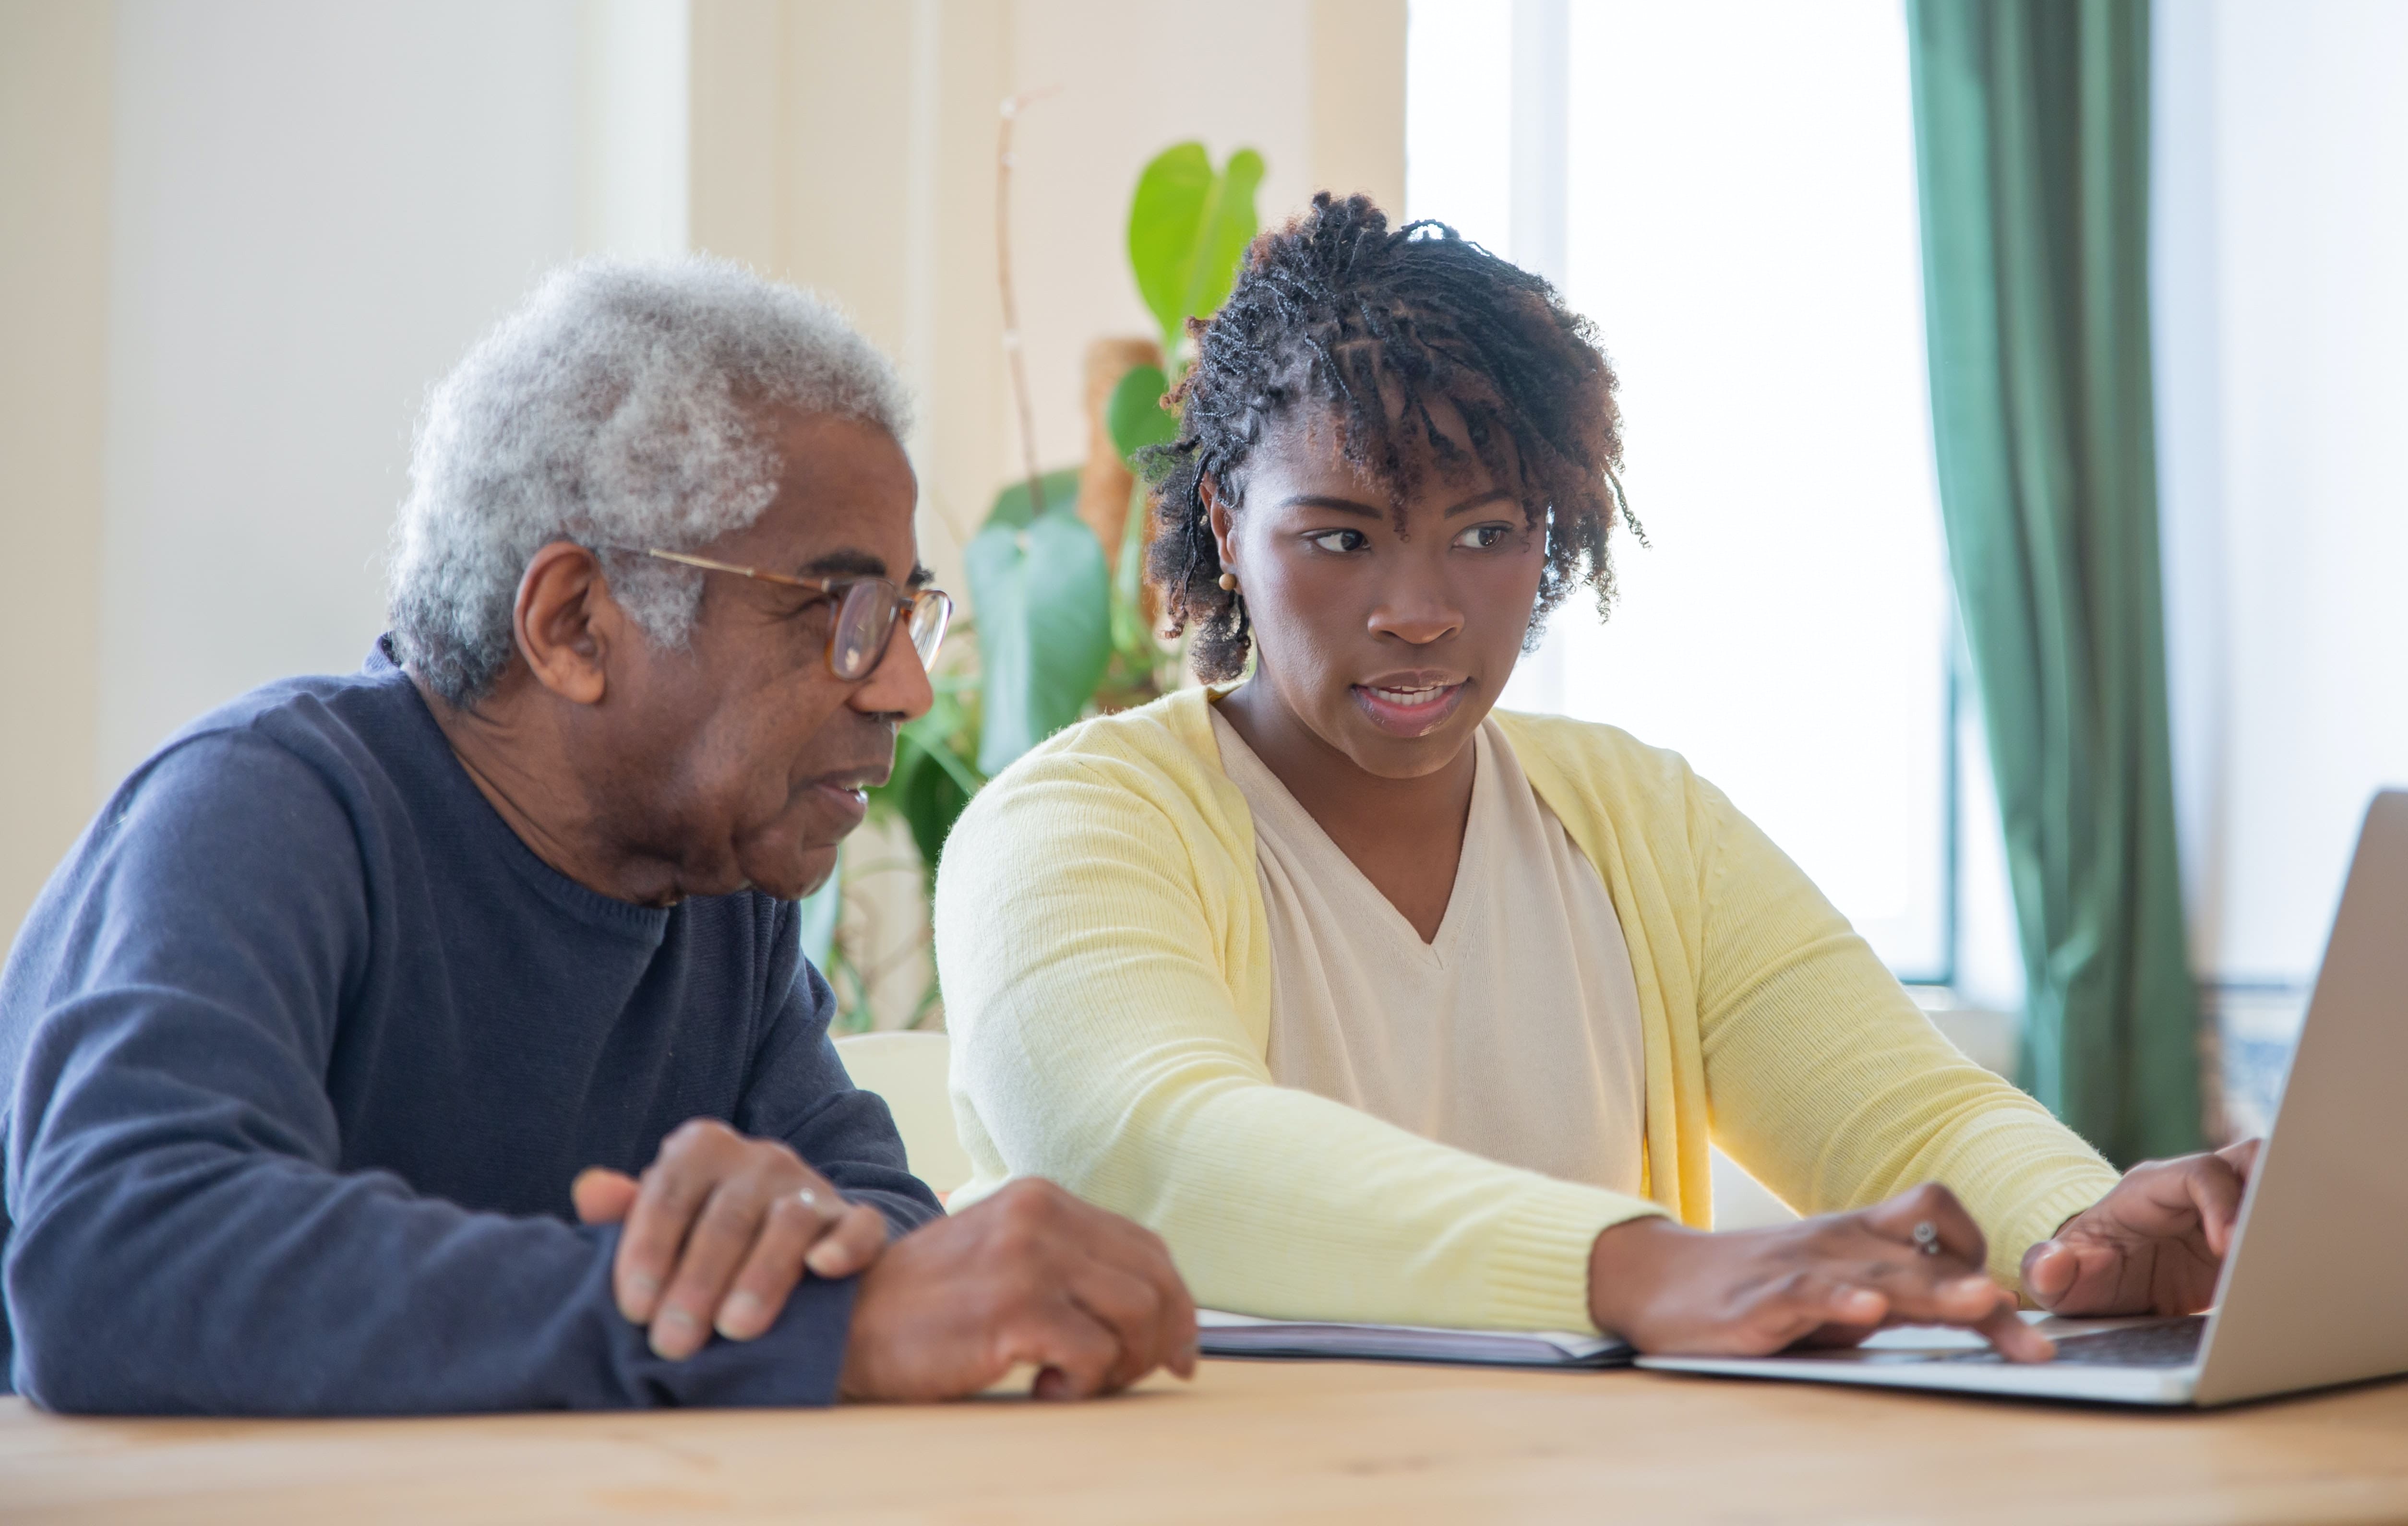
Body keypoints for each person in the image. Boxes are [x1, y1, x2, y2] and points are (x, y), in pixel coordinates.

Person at [935, 196, 2260, 1360]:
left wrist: (2080, 1238)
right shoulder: (1070, 830)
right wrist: (1637, 1267)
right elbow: (1151, 1151)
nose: (1419, 611)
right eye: (1339, 537)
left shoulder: (1643, 822)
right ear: (1225, 524)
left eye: (1487, 534)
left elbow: (1902, 1113)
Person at [0, 261, 1195, 1414]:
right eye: (840, 614)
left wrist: (806, 1259)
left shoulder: (720, 890)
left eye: (903, 616)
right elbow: (121, 1259)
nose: (902, 691)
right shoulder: (264, 813)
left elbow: (876, 1211)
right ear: (573, 622)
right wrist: (788, 1325)